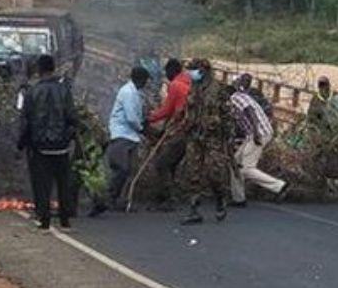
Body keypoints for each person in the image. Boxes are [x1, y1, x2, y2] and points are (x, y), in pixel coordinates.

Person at [18, 55, 79, 229]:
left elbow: (26, 121)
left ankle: (44, 220)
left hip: (40, 147)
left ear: (39, 70)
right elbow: (72, 118)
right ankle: (65, 219)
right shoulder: (64, 90)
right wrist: (69, 137)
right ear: (53, 69)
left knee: (42, 183)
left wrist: (21, 143)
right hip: (61, 146)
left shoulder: (32, 92)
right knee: (63, 183)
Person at [177, 59, 234, 225]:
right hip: (195, 136)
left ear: (202, 70)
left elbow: (227, 116)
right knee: (193, 173)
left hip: (213, 138)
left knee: (214, 172)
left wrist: (228, 138)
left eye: (193, 70)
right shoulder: (193, 88)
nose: (190, 73)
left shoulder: (218, 90)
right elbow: (189, 110)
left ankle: (220, 201)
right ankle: (194, 210)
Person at [94, 66, 150, 215]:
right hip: (122, 135)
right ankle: (107, 198)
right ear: (141, 79)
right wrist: (142, 129)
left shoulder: (135, 93)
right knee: (121, 168)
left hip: (130, 136)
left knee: (129, 171)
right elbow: (132, 118)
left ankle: (119, 200)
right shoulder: (128, 93)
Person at [228, 84, 288, 206]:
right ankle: (238, 198)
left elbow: (250, 111)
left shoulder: (235, 98)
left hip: (259, 133)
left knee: (246, 168)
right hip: (252, 134)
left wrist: (256, 133)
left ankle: (279, 186)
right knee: (234, 163)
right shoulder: (236, 100)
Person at [147, 58, 191, 207]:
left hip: (180, 131)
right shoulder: (188, 83)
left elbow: (167, 110)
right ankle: (163, 197)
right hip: (189, 131)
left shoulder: (176, 85)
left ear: (172, 70)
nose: (166, 75)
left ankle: (169, 198)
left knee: (162, 163)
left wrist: (149, 118)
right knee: (170, 164)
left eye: (167, 72)